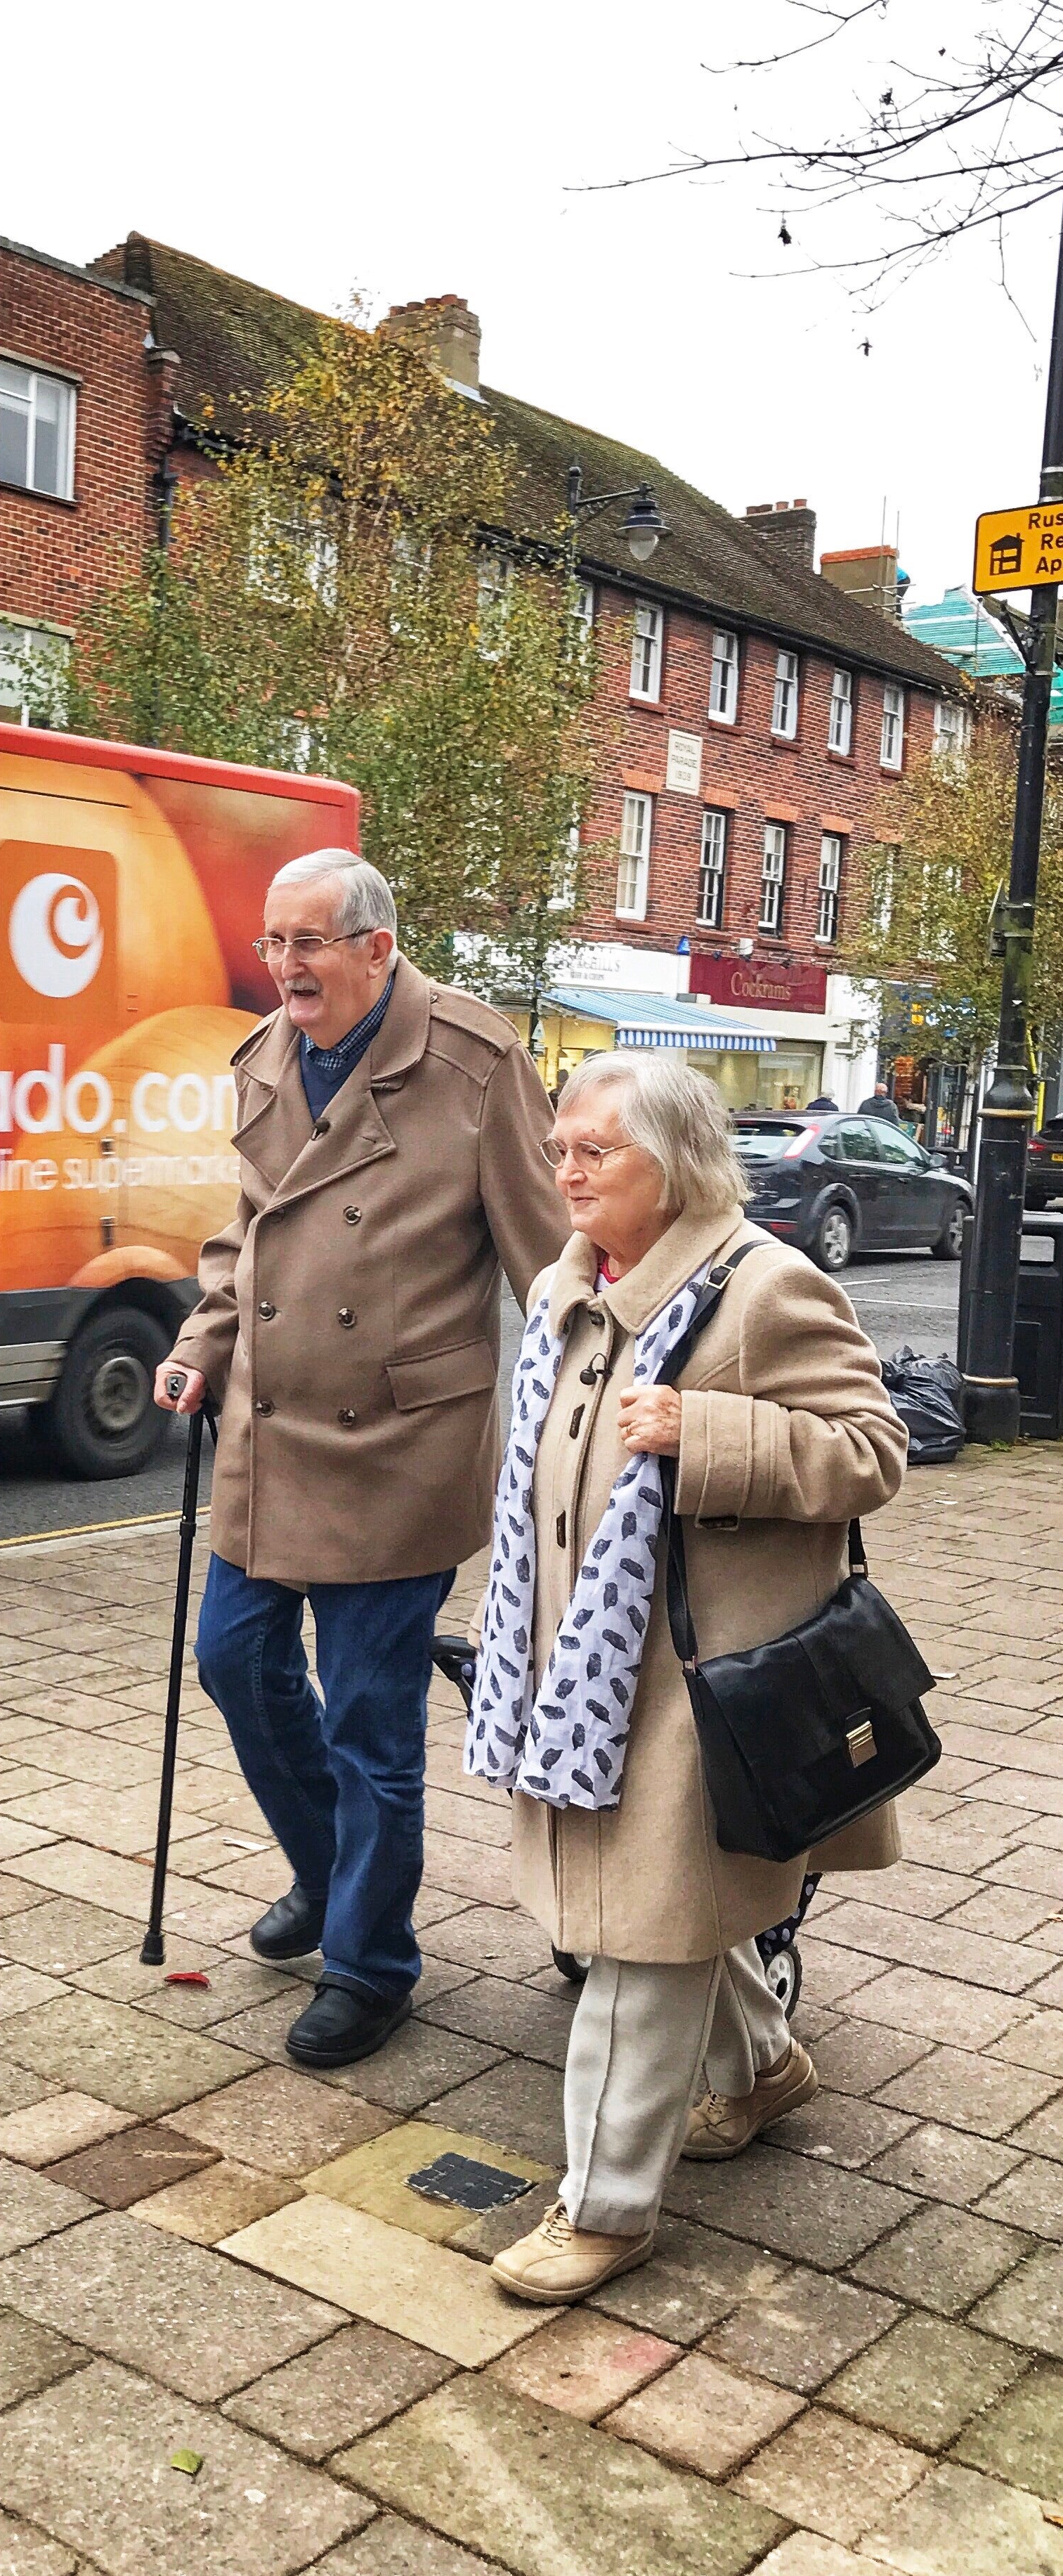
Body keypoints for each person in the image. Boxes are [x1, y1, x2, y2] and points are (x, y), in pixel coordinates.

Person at [471, 1050, 907, 2304]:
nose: (563, 1172)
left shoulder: (767, 1287)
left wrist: (703, 1430)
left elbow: (872, 1454)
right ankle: (764, 2066)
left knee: (635, 1940)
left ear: (676, 1163)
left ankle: (605, 2205)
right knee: (656, 1916)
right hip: (584, 1674)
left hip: (699, 1682)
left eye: (592, 1152)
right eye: (559, 1148)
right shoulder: (573, 1280)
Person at [155, 848, 565, 2069]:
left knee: (371, 1729)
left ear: (377, 948)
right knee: (232, 1660)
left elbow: (549, 1264)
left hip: (398, 1446)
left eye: (308, 943)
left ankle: (370, 1962)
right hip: (270, 1436)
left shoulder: (474, 1064)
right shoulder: (268, 1059)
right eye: (271, 942)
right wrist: (199, 1341)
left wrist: (595, 1411)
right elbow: (247, 1239)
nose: (281, 967)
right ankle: (332, 1877)